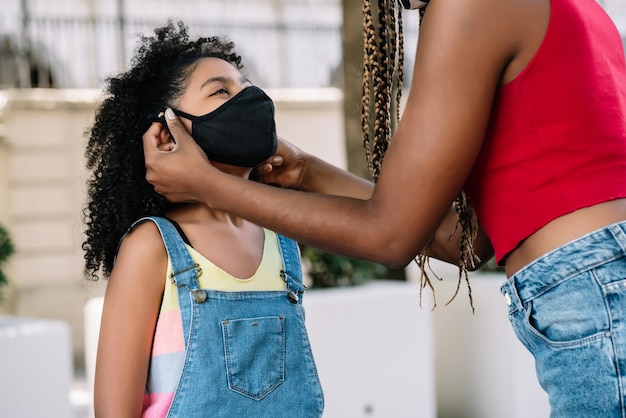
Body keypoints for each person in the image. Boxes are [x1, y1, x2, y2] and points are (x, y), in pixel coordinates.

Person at [142, 0, 626, 416]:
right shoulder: (573, 10)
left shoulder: (470, 7)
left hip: (593, 284)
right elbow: (462, 240)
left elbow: (389, 237)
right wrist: (309, 173)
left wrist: (209, 185)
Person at [83, 22, 324, 417]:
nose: (250, 98)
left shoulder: (281, 240)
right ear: (165, 134)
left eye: (247, 87)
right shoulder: (152, 246)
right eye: (220, 91)